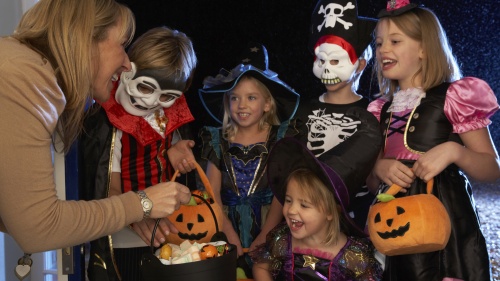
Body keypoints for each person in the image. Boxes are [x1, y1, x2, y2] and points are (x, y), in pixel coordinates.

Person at [0, 0, 191, 257]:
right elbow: (40, 229)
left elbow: (20, 218)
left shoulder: (19, 66)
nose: (126, 63)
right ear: (85, 39)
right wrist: (143, 203)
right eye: (122, 44)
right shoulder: (26, 80)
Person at [367, 1, 500, 280]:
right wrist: (379, 167)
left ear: (425, 48)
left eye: (395, 41)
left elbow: (492, 170)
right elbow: (370, 184)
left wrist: (455, 152)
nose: (383, 50)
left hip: (448, 227)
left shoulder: (455, 97)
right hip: (396, 228)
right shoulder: (381, 110)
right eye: (379, 43)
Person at [80, 26, 198, 280]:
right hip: (122, 243)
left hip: (167, 235)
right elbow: (105, 187)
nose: (153, 101)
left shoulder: (169, 119)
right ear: (128, 70)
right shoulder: (109, 122)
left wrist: (174, 155)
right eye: (146, 88)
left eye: (166, 95)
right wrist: (138, 216)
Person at [198, 43, 300, 278]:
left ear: (267, 104)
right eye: (234, 98)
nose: (241, 105)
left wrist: (266, 233)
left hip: (270, 225)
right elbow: (211, 194)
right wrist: (228, 233)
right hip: (223, 225)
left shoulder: (280, 138)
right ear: (227, 102)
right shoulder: (216, 140)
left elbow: (280, 191)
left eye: (251, 97)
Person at [292, 0, 383, 229]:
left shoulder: (374, 111)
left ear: (360, 64)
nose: (327, 69)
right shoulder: (302, 110)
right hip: (310, 215)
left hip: (358, 216)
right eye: (321, 61)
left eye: (335, 61)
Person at [250, 137, 383, 280]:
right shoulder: (282, 242)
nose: (291, 210)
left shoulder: (354, 257)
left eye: (304, 205)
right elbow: (260, 267)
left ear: (330, 212)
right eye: (288, 200)